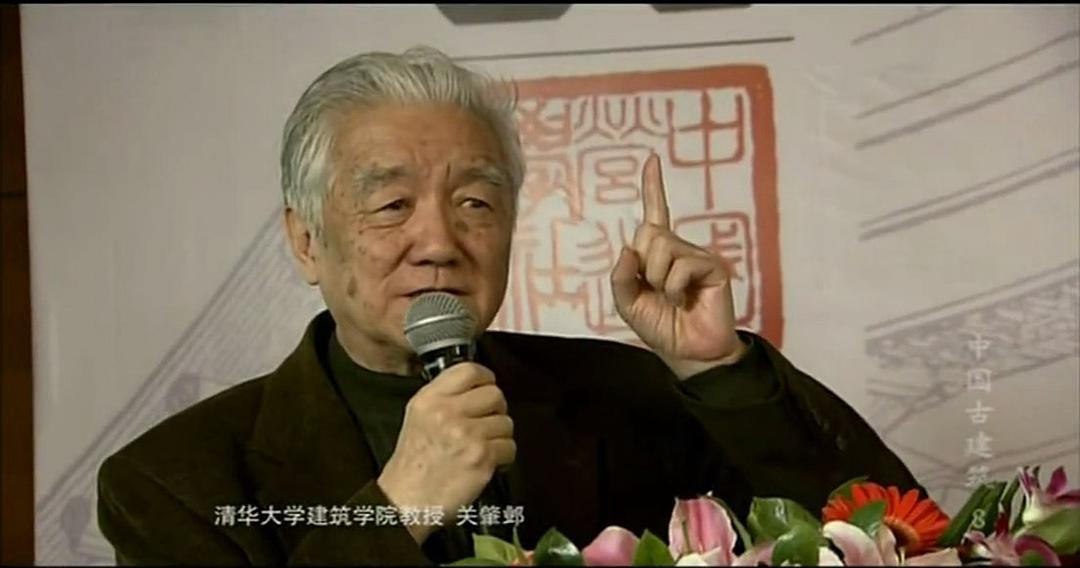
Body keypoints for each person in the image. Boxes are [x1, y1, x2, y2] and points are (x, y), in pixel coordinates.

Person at [97, 46, 921, 566]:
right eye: (391, 205)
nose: (438, 241)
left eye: (476, 203)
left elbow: (898, 535)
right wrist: (398, 507)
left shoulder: (631, 397)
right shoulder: (175, 480)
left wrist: (720, 372)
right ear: (307, 241)